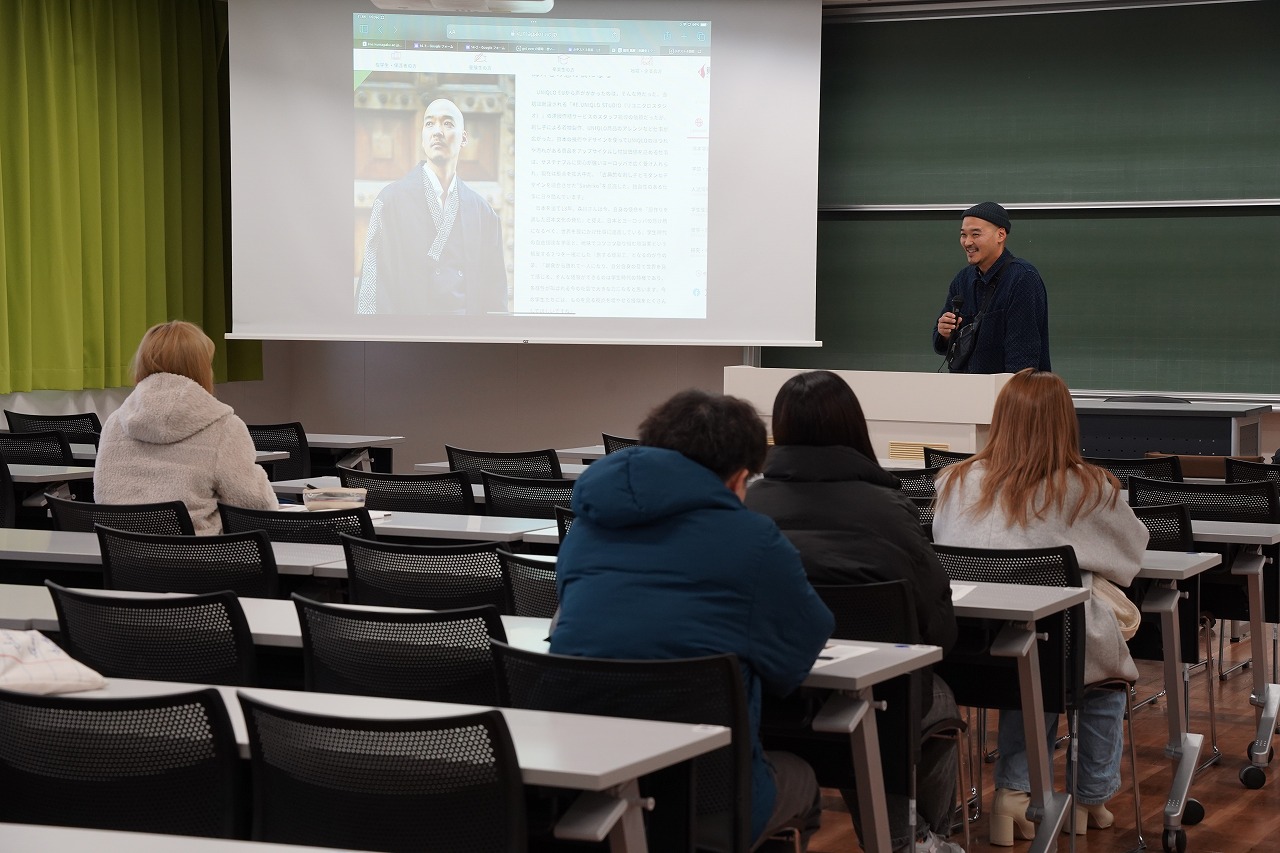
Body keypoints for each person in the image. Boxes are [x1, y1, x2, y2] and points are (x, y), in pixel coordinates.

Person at [551, 389, 835, 850]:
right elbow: (794, 663)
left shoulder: (586, 526)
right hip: (711, 800)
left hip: (586, 791)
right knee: (801, 777)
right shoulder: (754, 539)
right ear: (739, 479)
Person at [745, 370, 963, 853]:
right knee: (938, 698)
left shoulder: (749, 504)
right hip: (884, 702)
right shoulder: (890, 507)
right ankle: (918, 839)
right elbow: (939, 631)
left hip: (777, 695)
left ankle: (913, 837)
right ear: (854, 428)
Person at [932, 369, 1148, 847]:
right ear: (1066, 423)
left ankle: (1012, 793)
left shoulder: (954, 480)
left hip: (967, 649)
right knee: (1098, 681)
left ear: (1001, 419)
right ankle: (1090, 797)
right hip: (1054, 647)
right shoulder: (1088, 487)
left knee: (1033, 667)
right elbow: (1130, 554)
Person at [96, 321, 278, 534]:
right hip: (198, 559)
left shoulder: (115, 423)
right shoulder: (224, 426)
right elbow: (256, 506)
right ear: (200, 367)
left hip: (124, 556)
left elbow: (102, 496)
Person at [356, 98, 507, 315]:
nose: (437, 131)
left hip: (465, 341)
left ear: (463, 138)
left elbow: (494, 295)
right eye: (429, 124)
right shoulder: (390, 201)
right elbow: (374, 286)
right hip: (408, 338)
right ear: (423, 138)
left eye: (447, 123)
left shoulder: (483, 212)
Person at [932, 202, 1050, 374]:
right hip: (964, 391)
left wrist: (1011, 398)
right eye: (963, 235)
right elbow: (942, 344)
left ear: (1000, 235)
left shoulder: (1022, 278)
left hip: (1007, 395)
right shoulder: (962, 279)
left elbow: (1024, 356)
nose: (967, 242)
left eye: (976, 234)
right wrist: (944, 334)